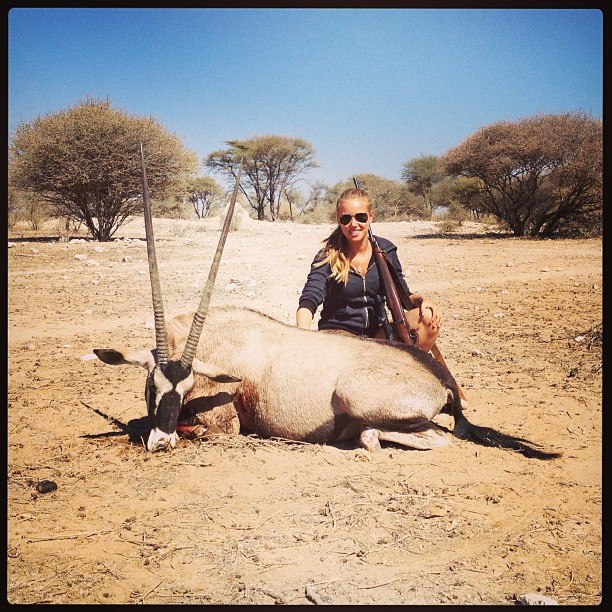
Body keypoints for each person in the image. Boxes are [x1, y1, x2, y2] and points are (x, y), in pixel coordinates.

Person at [296, 187, 442, 352]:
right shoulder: (327, 256)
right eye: (345, 219)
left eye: (361, 217)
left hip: (377, 333)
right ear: (338, 220)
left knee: (429, 319)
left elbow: (402, 295)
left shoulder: (386, 250)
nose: (353, 224)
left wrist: (424, 301)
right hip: (339, 336)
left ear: (371, 216)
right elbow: (309, 299)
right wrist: (303, 337)